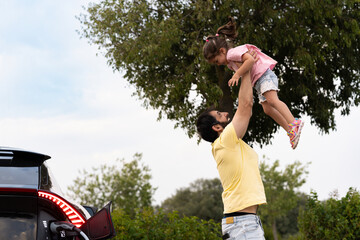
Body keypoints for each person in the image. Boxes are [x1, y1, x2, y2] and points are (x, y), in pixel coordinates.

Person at [203, 17, 304, 149]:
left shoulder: (231, 54)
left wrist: (237, 74)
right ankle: (290, 131)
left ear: (222, 51)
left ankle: (293, 122)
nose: (218, 64)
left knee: (273, 100)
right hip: (258, 82)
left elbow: (250, 60)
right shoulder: (230, 61)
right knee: (267, 109)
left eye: (217, 61)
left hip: (264, 75)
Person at [196, 70, 266, 239]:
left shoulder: (229, 144)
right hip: (243, 224)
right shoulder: (225, 141)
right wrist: (246, 70)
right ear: (217, 127)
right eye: (220, 115)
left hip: (245, 222)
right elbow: (246, 105)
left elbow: (245, 109)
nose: (226, 114)